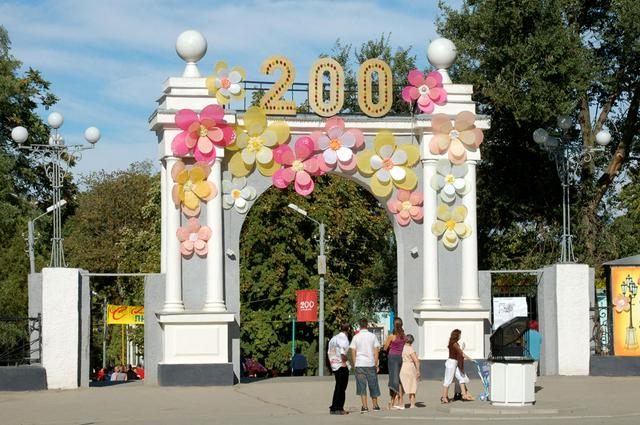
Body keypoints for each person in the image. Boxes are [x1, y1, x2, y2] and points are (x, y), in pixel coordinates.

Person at [350, 318, 382, 413]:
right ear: (367, 325)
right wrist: (376, 363)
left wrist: (355, 364)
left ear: (359, 326)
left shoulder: (356, 337)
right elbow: (376, 351)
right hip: (370, 363)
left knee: (361, 385)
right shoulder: (372, 336)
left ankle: (364, 407)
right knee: (373, 384)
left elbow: (353, 351)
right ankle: (375, 406)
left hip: (359, 364)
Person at [441, 329, 474, 403]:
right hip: (451, 363)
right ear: (457, 335)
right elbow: (461, 354)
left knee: (461, 377)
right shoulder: (454, 344)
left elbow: (458, 353)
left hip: (454, 363)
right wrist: (470, 359)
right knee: (447, 380)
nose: (460, 336)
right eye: (459, 334)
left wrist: (462, 348)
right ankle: (444, 397)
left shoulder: (454, 343)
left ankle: (464, 394)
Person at [328, 323, 351, 415]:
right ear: (348, 329)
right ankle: (339, 408)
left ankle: (334, 407)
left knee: (338, 387)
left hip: (334, 364)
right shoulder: (343, 338)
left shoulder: (333, 338)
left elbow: (329, 351)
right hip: (341, 364)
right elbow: (342, 352)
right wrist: (344, 362)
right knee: (342, 388)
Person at [383, 317, 406, 409]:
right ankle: (400, 401)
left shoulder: (392, 336)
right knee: (398, 379)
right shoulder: (404, 337)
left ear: (394, 325)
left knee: (393, 379)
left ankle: (392, 402)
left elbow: (385, 348)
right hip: (399, 358)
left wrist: (390, 347)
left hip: (392, 358)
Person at [399, 334, 421, 408]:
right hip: (409, 367)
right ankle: (412, 404)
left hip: (402, 367)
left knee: (402, 385)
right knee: (412, 385)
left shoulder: (401, 348)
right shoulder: (410, 349)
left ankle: (401, 403)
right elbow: (416, 360)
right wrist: (418, 370)